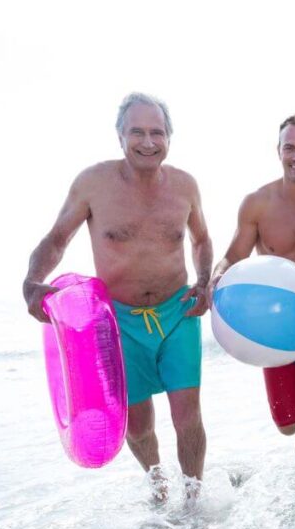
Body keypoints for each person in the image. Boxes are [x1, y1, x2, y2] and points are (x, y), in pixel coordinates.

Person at [23, 92, 212, 502]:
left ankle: (194, 501)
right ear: (120, 136)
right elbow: (58, 239)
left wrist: (204, 281)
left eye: (157, 132)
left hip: (178, 312)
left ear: (169, 137)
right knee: (138, 424)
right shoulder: (94, 183)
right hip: (120, 321)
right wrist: (33, 280)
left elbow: (201, 240)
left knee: (187, 415)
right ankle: (159, 486)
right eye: (137, 132)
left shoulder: (184, 185)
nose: (148, 142)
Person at [208, 114, 295, 485]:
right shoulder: (257, 204)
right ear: (279, 152)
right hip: (274, 330)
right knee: (285, 425)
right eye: (290, 147)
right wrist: (217, 274)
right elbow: (234, 254)